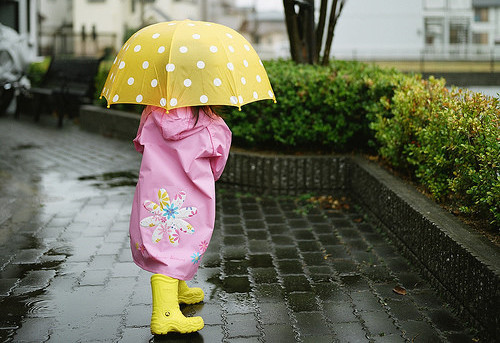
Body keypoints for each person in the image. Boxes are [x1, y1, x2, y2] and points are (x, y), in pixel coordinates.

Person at [129, 104, 231, 335]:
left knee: (164, 240)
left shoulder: (151, 113)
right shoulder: (211, 123)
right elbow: (218, 164)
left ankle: (177, 287)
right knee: (183, 241)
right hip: (190, 195)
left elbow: (140, 144)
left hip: (156, 191)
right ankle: (165, 315)